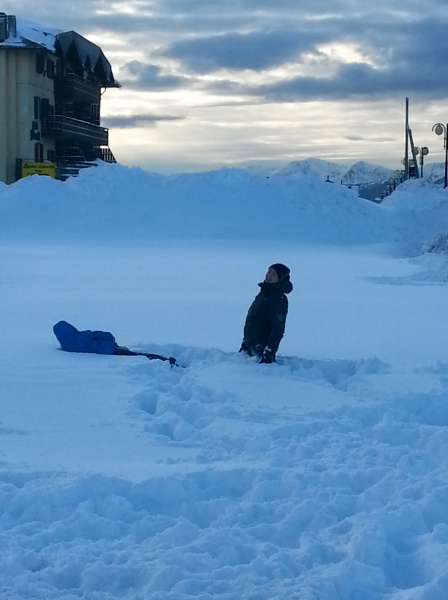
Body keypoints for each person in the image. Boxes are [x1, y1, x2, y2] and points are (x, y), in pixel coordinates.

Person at [239, 263, 293, 363]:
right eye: (269, 271)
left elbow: (278, 329)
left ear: (280, 278)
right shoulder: (264, 293)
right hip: (250, 347)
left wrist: (269, 352)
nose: (269, 276)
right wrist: (245, 342)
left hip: (260, 350)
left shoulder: (278, 299)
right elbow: (253, 319)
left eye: (274, 274)